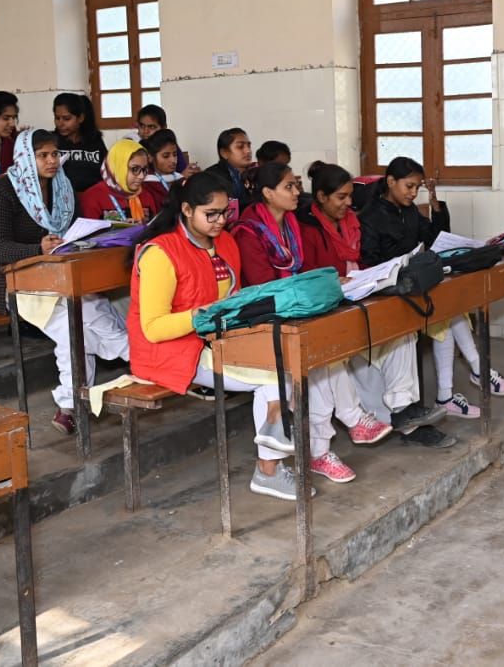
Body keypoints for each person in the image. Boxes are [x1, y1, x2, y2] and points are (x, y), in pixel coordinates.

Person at [129, 171, 316, 500]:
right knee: (275, 375)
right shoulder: (160, 252)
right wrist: (206, 314)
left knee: (287, 358)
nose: (219, 221)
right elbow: (153, 328)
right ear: (187, 210)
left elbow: (235, 296)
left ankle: (274, 438)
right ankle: (270, 460)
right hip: (172, 351)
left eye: (225, 212)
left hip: (216, 339)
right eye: (210, 214)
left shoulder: (226, 242)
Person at [234, 162, 420, 481]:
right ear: (267, 193)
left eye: (296, 185)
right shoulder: (248, 231)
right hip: (264, 318)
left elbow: (303, 271)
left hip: (296, 310)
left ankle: (325, 446)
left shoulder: (290, 222)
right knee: (319, 352)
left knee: (323, 352)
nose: (297, 192)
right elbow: (263, 287)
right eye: (289, 187)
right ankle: (342, 428)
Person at [0, 129, 129, 435]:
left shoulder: (63, 188)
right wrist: (39, 249)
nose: (52, 161)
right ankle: (136, 358)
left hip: (57, 273)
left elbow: (73, 232)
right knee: (70, 321)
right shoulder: (0, 191)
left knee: (90, 306)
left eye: (55, 154)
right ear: (24, 157)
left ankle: (70, 404)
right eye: (43, 155)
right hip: (9, 276)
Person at [296, 161, 446, 443]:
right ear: (321, 198)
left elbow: (364, 261)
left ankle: (403, 409)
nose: (349, 203)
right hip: (330, 308)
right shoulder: (309, 231)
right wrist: (335, 282)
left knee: (403, 335)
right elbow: (306, 277)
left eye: (351, 196)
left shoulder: (351, 222)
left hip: (360, 297)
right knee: (364, 352)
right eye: (342, 197)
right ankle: (393, 417)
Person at [360, 157, 504, 418]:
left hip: (410, 283)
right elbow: (370, 262)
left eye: (417, 188)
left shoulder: (408, 210)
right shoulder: (370, 217)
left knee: (449, 307)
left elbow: (434, 237)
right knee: (447, 309)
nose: (413, 193)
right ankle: (475, 371)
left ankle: (455, 388)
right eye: (409, 186)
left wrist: (436, 207)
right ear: (390, 182)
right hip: (387, 292)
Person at [78, 139, 158, 222]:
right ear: (118, 167)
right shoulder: (93, 197)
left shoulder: (146, 196)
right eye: (135, 169)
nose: (141, 176)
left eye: (144, 169)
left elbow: (154, 230)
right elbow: (90, 233)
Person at [54, 93, 107, 192]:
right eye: (57, 118)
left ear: (81, 118)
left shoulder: (95, 141)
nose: (60, 123)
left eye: (67, 119)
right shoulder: (51, 142)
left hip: (93, 198)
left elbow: (107, 171)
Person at [141, 128, 195, 213]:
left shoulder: (182, 181)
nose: (173, 160)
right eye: (166, 156)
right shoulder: (145, 185)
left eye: (175, 154)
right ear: (150, 157)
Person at [207, 127, 253, 207]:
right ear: (224, 153)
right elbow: (229, 206)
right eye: (240, 146)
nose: (248, 151)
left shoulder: (254, 172)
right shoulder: (213, 177)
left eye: (249, 146)